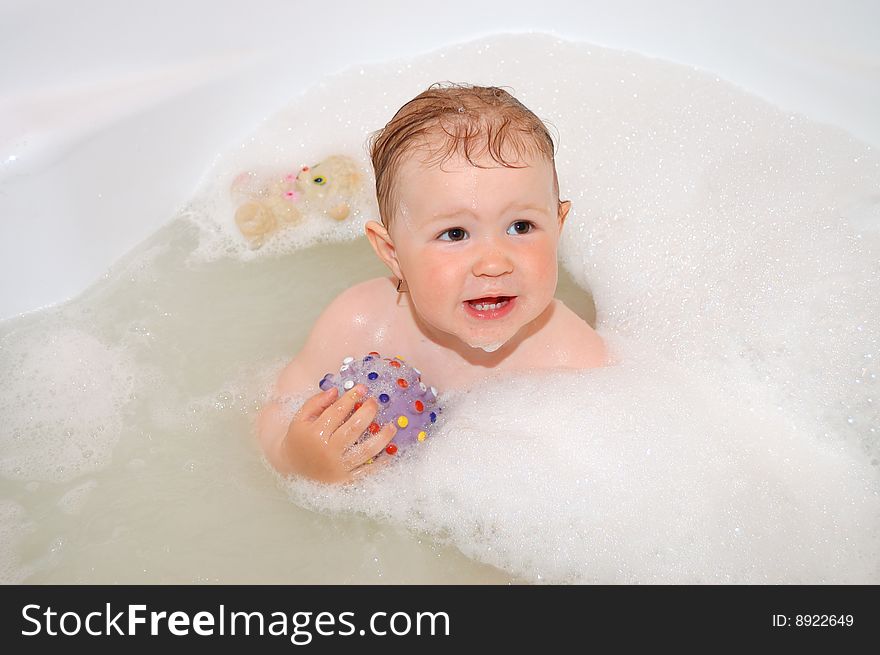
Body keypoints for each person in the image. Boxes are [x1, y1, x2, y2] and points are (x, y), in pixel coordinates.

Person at [257, 82, 607, 484]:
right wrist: (296, 457)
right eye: (455, 234)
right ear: (392, 254)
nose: (494, 263)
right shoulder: (359, 323)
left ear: (558, 228)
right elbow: (278, 406)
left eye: (521, 226)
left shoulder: (574, 360)